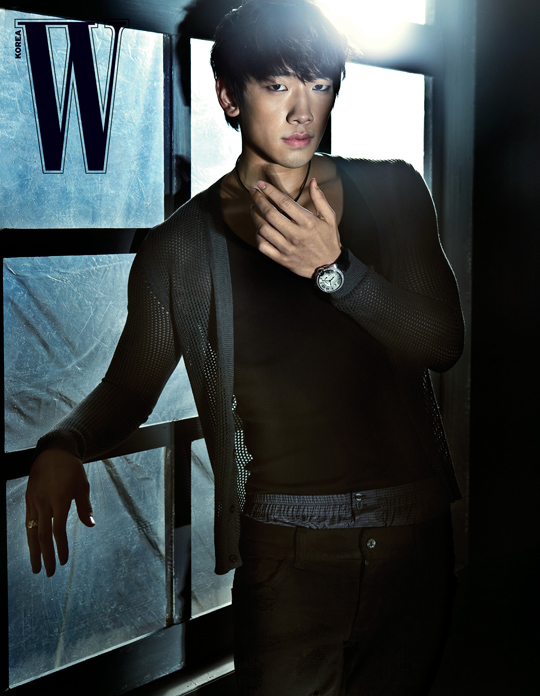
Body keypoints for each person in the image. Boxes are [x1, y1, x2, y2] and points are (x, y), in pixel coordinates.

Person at [25, 1, 465, 694]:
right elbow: (130, 387)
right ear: (230, 96)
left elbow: (442, 341)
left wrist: (334, 270)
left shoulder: (394, 189)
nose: (302, 110)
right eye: (277, 84)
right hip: (288, 553)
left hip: (414, 538)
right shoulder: (182, 245)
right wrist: (63, 443)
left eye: (318, 83)